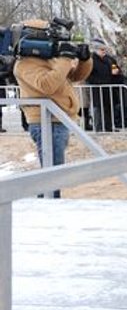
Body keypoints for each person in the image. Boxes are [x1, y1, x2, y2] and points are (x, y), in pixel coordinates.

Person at [13, 19, 93, 198]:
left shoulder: (49, 59)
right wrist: (64, 59)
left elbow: (75, 76)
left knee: (53, 172)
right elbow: (46, 85)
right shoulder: (25, 64)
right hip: (45, 122)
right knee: (52, 174)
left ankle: (48, 203)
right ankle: (49, 206)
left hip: (59, 119)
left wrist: (84, 59)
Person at [86, 37, 126, 131]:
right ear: (96, 50)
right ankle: (99, 127)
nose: (104, 51)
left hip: (110, 89)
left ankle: (109, 127)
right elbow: (89, 76)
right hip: (98, 89)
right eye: (101, 49)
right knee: (99, 109)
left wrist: (117, 72)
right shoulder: (91, 60)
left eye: (105, 49)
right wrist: (100, 82)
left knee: (110, 108)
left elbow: (115, 69)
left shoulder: (110, 59)